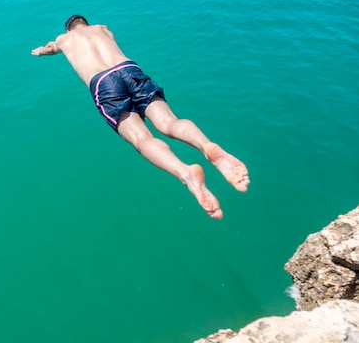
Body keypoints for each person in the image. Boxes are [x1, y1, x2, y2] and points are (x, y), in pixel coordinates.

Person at [31, 15, 249, 219]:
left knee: (141, 139)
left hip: (103, 82)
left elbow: (51, 48)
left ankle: (185, 173)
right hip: (129, 69)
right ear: (86, 24)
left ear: (69, 29)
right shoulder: (102, 29)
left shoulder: (64, 38)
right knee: (169, 122)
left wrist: (41, 51)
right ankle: (206, 145)